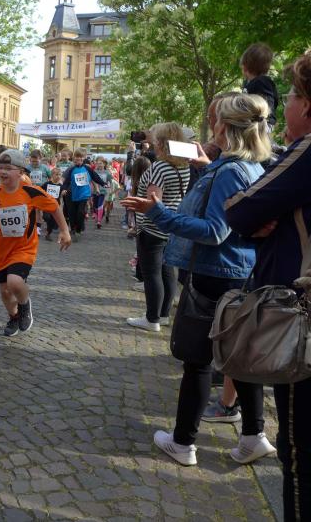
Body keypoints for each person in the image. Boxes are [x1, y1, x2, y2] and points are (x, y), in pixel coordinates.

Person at [123, 93, 275, 467]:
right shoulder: (246, 166)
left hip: (215, 273)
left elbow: (214, 231)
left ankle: (183, 442)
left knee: (198, 361)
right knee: (238, 359)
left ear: (225, 127)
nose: (210, 125)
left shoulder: (230, 171)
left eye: (215, 119)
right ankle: (253, 435)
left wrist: (159, 213)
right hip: (235, 272)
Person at [225, 50, 311, 521]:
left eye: (294, 94)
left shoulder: (307, 151)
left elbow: (240, 210)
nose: (286, 105)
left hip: (303, 322)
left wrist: (267, 219)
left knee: (298, 453)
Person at [0, 149, 71, 336]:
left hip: (25, 248)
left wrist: (65, 231)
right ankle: (14, 317)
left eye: (8, 168)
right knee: (5, 292)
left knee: (15, 281)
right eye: (0, 167)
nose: (3, 172)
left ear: (20, 172)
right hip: (2, 252)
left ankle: (25, 306)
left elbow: (54, 207)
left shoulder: (31, 192)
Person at [125, 123, 190, 331]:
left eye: (155, 138)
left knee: (152, 273)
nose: (152, 141)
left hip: (153, 227)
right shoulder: (184, 166)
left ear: (162, 142)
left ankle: (151, 319)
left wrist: (138, 216)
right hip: (171, 225)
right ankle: (162, 315)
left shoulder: (160, 167)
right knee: (167, 272)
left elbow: (154, 202)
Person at [61, 148, 107, 238]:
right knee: (72, 213)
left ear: (84, 157)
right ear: (74, 158)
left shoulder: (87, 168)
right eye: (77, 157)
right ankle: (73, 228)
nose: (78, 158)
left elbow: (95, 176)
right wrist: (64, 189)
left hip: (84, 194)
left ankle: (78, 229)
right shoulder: (71, 169)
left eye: (80, 157)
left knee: (81, 212)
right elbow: (66, 181)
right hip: (73, 194)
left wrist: (103, 183)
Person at [240, 42, 279, 128]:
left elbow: (268, 102)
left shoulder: (262, 81)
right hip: (253, 122)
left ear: (245, 65)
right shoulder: (248, 83)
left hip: (262, 123)